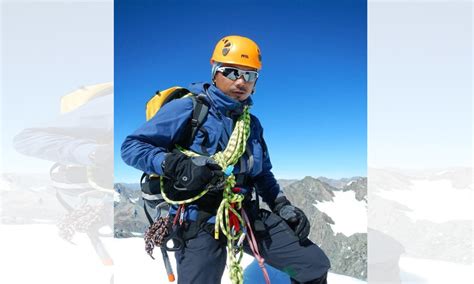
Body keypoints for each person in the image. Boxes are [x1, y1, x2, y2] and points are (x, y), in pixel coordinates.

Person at [121, 35, 330, 284]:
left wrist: (282, 205)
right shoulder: (189, 109)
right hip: (198, 217)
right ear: (215, 72)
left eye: (249, 75)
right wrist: (177, 165)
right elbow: (131, 147)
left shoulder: (251, 124)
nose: (241, 81)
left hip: (243, 212)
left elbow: (262, 174)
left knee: (313, 266)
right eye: (231, 72)